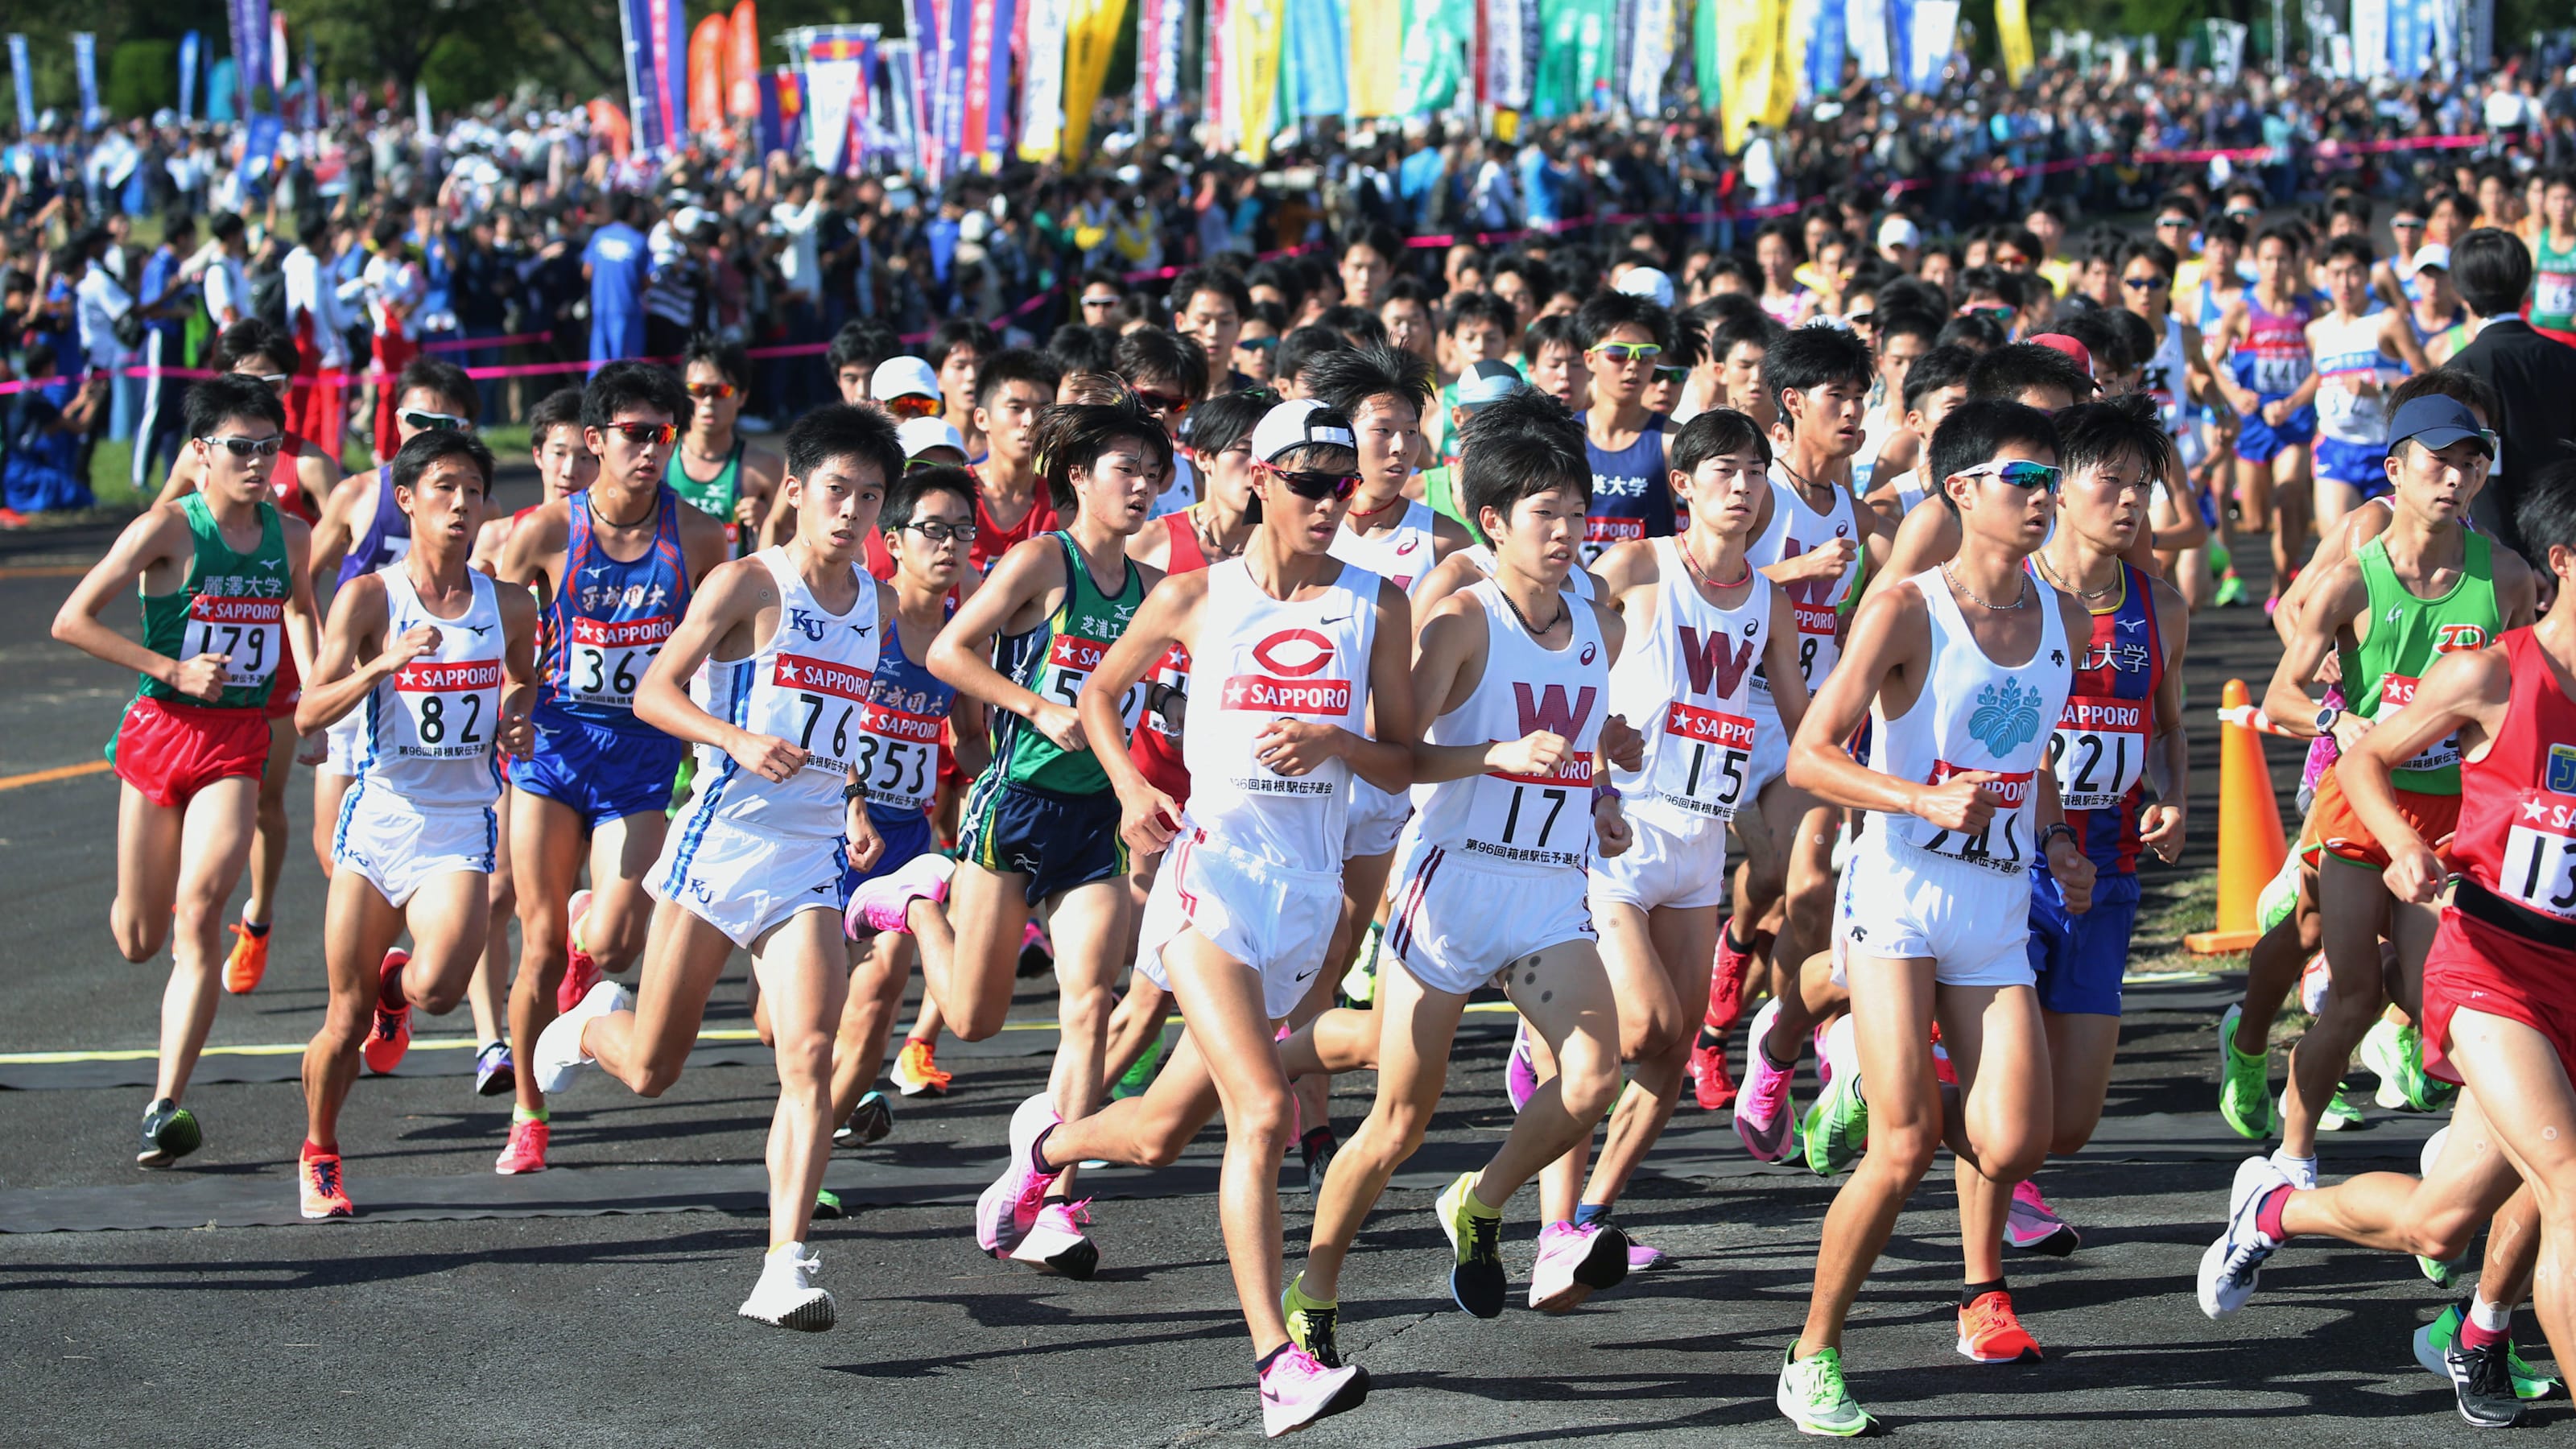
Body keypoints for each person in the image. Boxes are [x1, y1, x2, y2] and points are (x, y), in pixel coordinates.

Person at [974, 398, 1408, 1435]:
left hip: (1300, 905)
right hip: (1208, 879)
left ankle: (1043, 1151)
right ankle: (1277, 1364)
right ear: (1256, 479)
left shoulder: (1376, 606)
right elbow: (1095, 697)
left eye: (1341, 485)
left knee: (1165, 1134)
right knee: (1259, 1112)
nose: (1328, 503)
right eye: (1307, 483)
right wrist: (1128, 792)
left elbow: (1400, 757)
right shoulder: (1191, 596)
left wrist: (1340, 747)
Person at [2199, 461, 2576, 1429]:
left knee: (2441, 1219)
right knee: (2569, 1177)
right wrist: (2405, 842)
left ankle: (2285, 1217)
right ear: (2562, 565)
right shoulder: (2492, 671)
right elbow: (2362, 755)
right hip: (2492, 967)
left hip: (2572, 975)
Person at [536, 403, 902, 1331]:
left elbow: (839, 728)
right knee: (654, 1066)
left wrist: (852, 801)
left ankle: (783, 1263)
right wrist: (732, 737)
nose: (851, 511)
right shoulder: (746, 583)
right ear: (794, 491)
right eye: (835, 491)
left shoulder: (879, 604)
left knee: (810, 1056)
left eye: (869, 497)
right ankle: (591, 1024)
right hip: (719, 842)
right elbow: (654, 692)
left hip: (807, 855)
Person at [1292, 397, 1645, 1344]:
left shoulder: (1597, 623)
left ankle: (1480, 1204)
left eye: (1577, 513)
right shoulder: (1457, 621)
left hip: (1544, 894)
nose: (1569, 533)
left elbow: (1582, 756)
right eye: (1546, 515)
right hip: (1448, 890)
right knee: (1398, 1120)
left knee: (1590, 1079)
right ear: (1491, 524)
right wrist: (1491, 755)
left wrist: (1606, 780)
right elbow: (1392, 757)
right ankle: (1315, 1290)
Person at [1776, 398, 2095, 1435]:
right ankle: (1812, 1353)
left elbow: (2033, 758)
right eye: (2022, 478)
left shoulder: (2068, 617)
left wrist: (2054, 846)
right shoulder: (1905, 609)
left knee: (2015, 1143)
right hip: (1902, 887)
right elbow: (1809, 755)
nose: (2043, 496)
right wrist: (1915, 797)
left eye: (2052, 477)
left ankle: (1862, 1065)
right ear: (1959, 490)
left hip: (1997, 898)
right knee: (1905, 1146)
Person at [1537, 406, 1810, 1263]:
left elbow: (1801, 732)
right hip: (1616, 833)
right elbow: (1549, 644)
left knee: (1672, 1052)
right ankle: (1540, 1165)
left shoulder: (1768, 602)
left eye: (1755, 472)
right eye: (1724, 471)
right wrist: (1588, 757)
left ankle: (1582, 1220)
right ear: (1682, 485)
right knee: (1639, 1028)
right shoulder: (1635, 565)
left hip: (1697, 845)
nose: (1743, 486)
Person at [2256, 394, 2535, 1185]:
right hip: (2361, 797)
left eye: (2470, 462)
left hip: (2454, 808)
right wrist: (2332, 721)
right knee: (2346, 997)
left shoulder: (2505, 577)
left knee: (2431, 997)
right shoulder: (2351, 579)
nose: (2454, 477)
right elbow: (2282, 691)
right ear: (2394, 469)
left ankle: (2454, 1168)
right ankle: (2292, 1154)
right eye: (2437, 462)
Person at [50, 374, 321, 1166]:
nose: (259, 462)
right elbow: (73, 620)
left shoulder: (291, 536)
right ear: (201, 452)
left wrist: (309, 698)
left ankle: (166, 1104)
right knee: (140, 937)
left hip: (235, 740)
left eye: (270, 447)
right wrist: (169, 670)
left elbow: (301, 610)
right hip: (159, 730)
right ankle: (146, 920)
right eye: (242, 448)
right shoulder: (165, 529)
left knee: (200, 912)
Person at [928, 394, 1170, 1275]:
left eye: (1153, 475)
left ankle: (1056, 1200)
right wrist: (1034, 706)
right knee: (973, 1019)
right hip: (1014, 804)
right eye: (1125, 471)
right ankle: (913, 907)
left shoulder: (1150, 592)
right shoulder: (1042, 559)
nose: (1142, 488)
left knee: (1086, 1009)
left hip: (1095, 821)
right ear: (1078, 475)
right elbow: (948, 651)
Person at [289, 429, 538, 1218]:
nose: (461, 505)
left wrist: (516, 717)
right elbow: (306, 715)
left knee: (434, 989)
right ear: (406, 500)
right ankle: (320, 1152)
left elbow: (528, 684)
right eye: (443, 489)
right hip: (380, 818)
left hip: (459, 821)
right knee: (340, 1020)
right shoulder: (369, 597)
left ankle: (399, 982)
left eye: (472, 490)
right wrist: (379, 666)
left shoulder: (509, 603)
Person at [493, 361, 731, 1174]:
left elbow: (720, 651)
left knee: (617, 944)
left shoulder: (696, 536)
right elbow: (496, 628)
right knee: (537, 950)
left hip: (639, 761)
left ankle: (591, 956)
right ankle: (528, 1107)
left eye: (662, 436)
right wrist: (513, 695)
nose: (649, 451)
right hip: (554, 753)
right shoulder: (546, 533)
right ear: (593, 441)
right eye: (633, 435)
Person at [1980, 396, 2189, 1254]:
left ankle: (1971, 1130)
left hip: (2106, 873)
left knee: (2067, 1125)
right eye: (2112, 480)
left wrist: (2172, 797)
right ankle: (1981, 1269)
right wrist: (2046, 829)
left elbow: (2167, 727)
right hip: (2007, 866)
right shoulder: (2008, 596)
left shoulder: (2159, 607)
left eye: (2143, 484)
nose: (2132, 500)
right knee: (2013, 1111)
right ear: (2058, 487)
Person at [1676, 324, 1892, 1133]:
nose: (1851, 411)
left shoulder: (1857, 511)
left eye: (1860, 396)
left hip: (1803, 717)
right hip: (1726, 712)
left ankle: (1784, 1030)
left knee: (1803, 886)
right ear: (1791, 403)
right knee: (1767, 874)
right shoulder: (1754, 493)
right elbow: (1696, 582)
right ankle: (1727, 976)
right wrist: (1788, 574)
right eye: (1835, 396)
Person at [155, 322, 358, 998]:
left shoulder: (308, 465)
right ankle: (197, 895)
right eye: (249, 377)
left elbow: (346, 545)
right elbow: (157, 539)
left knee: (264, 800)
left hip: (275, 661)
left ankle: (258, 920)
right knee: (191, 791)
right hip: (199, 650)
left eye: (275, 382)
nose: (263, 391)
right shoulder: (201, 459)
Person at [834, 466, 991, 1141]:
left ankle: (830, 1127)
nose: (950, 546)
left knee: (877, 994)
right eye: (933, 530)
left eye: (962, 531)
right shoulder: (865, 615)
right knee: (783, 1013)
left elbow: (971, 736)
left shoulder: (961, 636)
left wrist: (996, 800)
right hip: (834, 827)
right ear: (893, 541)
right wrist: (852, 801)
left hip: (904, 839)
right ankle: (830, 1091)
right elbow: (826, 722)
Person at [308, 358, 483, 877]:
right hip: (360, 680)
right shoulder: (358, 493)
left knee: (434, 836)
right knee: (333, 847)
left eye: (445, 426)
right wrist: (320, 656)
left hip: (434, 686)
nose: (428, 435)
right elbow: (302, 580)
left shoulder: (478, 506)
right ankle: (382, 948)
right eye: (418, 421)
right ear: (397, 420)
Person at [2448, 228, 2576, 554]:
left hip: (2495, 545)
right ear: (2526, 285)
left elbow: (2477, 468)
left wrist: (2504, 556)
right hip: (2566, 540)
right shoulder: (2566, 358)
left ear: (2462, 292)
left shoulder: (2461, 370)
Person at [2306, 237, 2431, 539]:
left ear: (2367, 275)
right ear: (2325, 276)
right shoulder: (2317, 330)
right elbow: (2318, 379)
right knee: (2337, 546)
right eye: (2336, 273)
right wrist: (2290, 406)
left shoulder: (2387, 320)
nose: (2345, 283)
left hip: (2385, 449)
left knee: (2391, 551)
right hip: (2336, 448)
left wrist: (2381, 388)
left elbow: (2426, 377)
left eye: (2353, 272)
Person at [1572, 292, 1679, 562]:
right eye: (1618, 353)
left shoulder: (1674, 440)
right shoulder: (1559, 438)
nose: (1633, 365)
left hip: (1646, 596)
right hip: (1568, 598)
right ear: (1589, 359)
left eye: (1646, 355)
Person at [666, 334, 783, 557]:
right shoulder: (659, 457)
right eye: (699, 390)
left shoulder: (764, 468)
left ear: (742, 396)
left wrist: (770, 524)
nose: (709, 402)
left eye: (721, 391)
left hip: (739, 590)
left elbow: (799, 543)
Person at [584, 192, 650, 365]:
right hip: (627, 311)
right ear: (634, 211)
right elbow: (647, 280)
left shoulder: (599, 236)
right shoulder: (639, 241)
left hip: (601, 309)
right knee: (626, 369)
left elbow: (587, 271)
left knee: (600, 366)